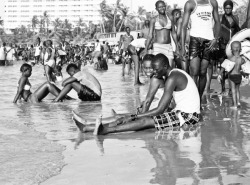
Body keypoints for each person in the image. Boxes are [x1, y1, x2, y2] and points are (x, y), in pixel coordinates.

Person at [74, 54, 201, 135]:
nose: (154, 73)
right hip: (180, 112)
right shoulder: (172, 74)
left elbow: (160, 109)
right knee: (132, 118)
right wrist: (134, 116)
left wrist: (134, 116)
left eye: (156, 70)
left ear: (165, 66)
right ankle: (87, 127)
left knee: (144, 120)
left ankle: (105, 130)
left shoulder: (173, 77)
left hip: (189, 117)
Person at [181, 0, 221, 98]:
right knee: (194, 72)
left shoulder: (213, 3)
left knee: (203, 73)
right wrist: (182, 47)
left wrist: (216, 38)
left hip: (208, 42)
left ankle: (198, 100)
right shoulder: (190, 4)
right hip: (195, 40)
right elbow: (183, 26)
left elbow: (217, 22)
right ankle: (193, 99)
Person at [141, 1, 179, 68]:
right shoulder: (154, 20)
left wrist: (177, 47)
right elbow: (150, 35)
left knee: (169, 68)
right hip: (158, 47)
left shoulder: (170, 18)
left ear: (165, 6)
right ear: (156, 9)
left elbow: (173, 33)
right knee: (158, 69)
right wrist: (146, 48)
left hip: (168, 47)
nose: (162, 8)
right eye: (159, 7)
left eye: (163, 6)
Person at [216, 0, 240, 95]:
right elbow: (217, 30)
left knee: (231, 68)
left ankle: (231, 89)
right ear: (224, 8)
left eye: (229, 8)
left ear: (232, 8)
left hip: (232, 47)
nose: (228, 9)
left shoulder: (235, 18)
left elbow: (238, 31)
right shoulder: (221, 19)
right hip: (222, 46)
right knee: (223, 67)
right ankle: (222, 89)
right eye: (226, 8)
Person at [217, 41, 245, 109]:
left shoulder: (230, 58)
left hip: (232, 76)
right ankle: (238, 102)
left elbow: (223, 67)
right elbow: (244, 66)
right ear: (240, 49)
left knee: (233, 90)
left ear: (231, 50)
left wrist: (219, 74)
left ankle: (235, 105)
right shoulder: (241, 59)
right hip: (239, 76)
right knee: (237, 90)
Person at [127, 20, 151, 85]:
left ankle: (137, 81)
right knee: (137, 63)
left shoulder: (146, 42)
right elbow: (144, 48)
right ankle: (136, 82)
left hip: (132, 46)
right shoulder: (147, 43)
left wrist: (140, 53)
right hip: (132, 47)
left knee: (137, 63)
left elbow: (141, 48)